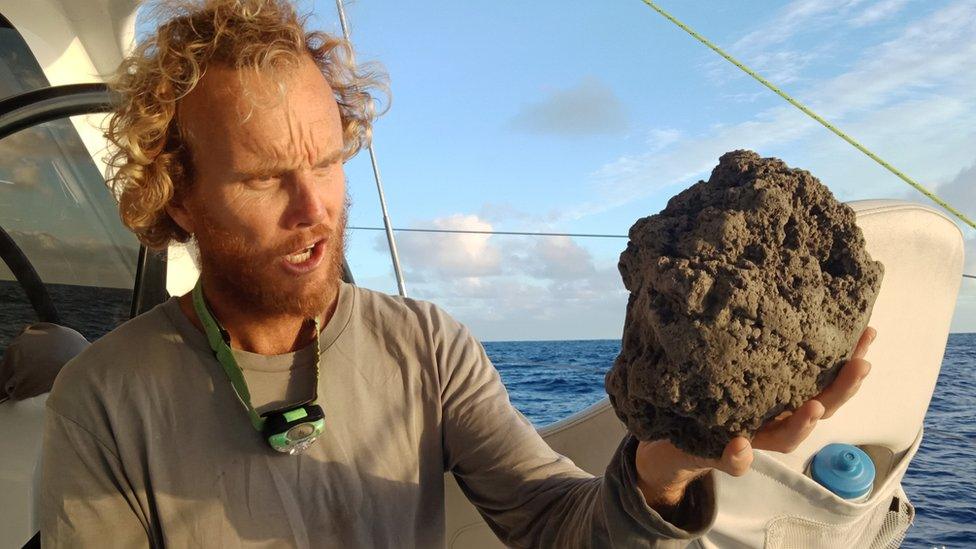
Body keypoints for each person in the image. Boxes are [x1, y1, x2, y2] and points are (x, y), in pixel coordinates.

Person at [39, 1, 875, 547]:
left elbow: (556, 522)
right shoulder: (103, 401)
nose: (314, 208)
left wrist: (666, 467)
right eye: (263, 178)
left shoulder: (427, 346)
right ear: (177, 193)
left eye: (327, 162)